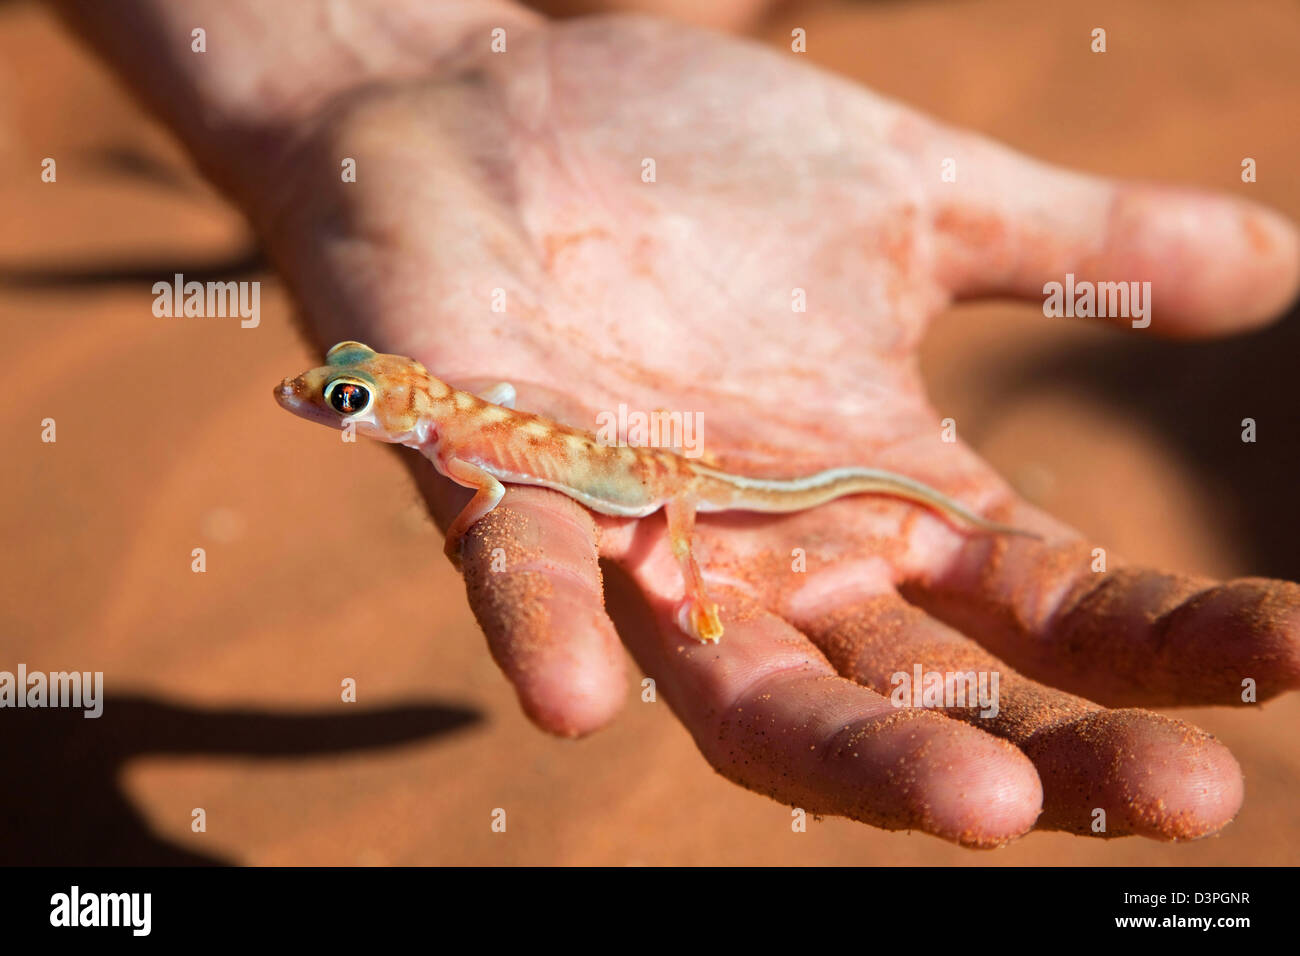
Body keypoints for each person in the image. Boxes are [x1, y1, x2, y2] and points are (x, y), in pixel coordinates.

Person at [56, 0, 1300, 846]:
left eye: (343, 392)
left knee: (668, 526)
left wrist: (672, 579)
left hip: (663, 485)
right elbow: (507, 437)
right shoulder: (448, 424)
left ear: (390, 397)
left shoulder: (465, 448)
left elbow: (515, 479)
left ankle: (721, 570)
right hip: (630, 459)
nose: (323, 403)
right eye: (343, 390)